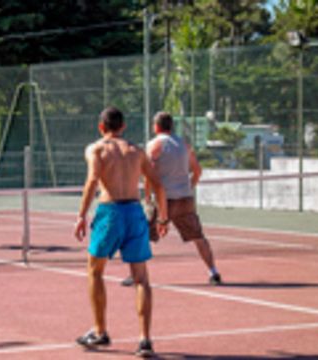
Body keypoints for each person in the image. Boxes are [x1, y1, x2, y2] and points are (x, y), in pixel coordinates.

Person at [74, 106, 169, 358]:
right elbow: (158, 184)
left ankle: (100, 331)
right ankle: (145, 340)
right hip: (134, 212)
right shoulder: (136, 151)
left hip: (110, 212)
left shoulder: (96, 149)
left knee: (95, 270)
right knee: (141, 278)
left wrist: (81, 215)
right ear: (123, 127)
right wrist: (163, 217)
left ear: (101, 127)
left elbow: (93, 180)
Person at [122, 111, 221, 286]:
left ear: (156, 126)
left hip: (163, 200)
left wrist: (148, 197)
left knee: (139, 234)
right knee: (198, 237)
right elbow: (197, 171)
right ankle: (214, 272)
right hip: (184, 199)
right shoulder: (184, 144)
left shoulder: (154, 145)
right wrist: (188, 187)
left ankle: (136, 274)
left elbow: (149, 174)